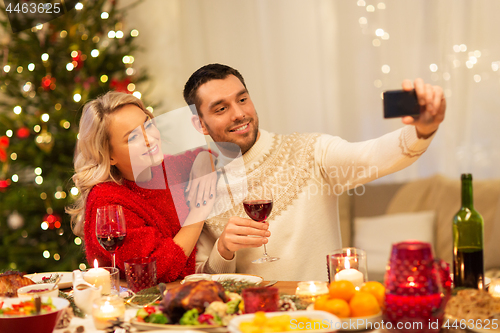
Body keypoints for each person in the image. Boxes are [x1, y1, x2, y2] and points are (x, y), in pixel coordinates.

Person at [183, 63, 446, 281]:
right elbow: (200, 279)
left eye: (242, 99)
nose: (239, 114)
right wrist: (224, 250)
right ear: (200, 125)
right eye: (221, 108)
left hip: (320, 318)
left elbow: (373, 155)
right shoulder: (201, 187)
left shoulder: (310, 150)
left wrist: (423, 129)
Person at [67, 91, 216, 283]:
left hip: (181, 290)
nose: (149, 139)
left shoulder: (163, 168)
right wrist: (199, 211)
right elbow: (155, 269)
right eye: (133, 137)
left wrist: (204, 163)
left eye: (148, 125)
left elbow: (207, 156)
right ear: (109, 155)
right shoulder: (107, 200)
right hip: (135, 304)